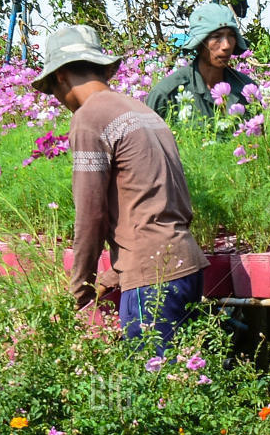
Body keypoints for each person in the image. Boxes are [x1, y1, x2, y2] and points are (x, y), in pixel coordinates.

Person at [32, 23, 207, 352]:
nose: (57, 99)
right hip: (186, 267)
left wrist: (79, 290)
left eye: (53, 90)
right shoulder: (141, 111)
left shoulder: (89, 118)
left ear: (59, 77)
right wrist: (112, 274)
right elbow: (164, 204)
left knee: (150, 393)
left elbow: (90, 215)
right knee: (182, 387)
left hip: (152, 279)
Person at [145, 2, 252, 124]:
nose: (226, 45)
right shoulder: (166, 94)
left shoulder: (247, 89)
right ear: (199, 43)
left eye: (231, 36)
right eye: (216, 37)